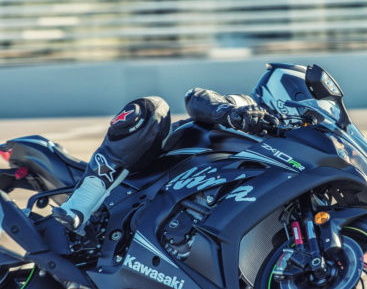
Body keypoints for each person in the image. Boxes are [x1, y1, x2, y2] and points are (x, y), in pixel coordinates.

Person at [52, 88, 276, 233]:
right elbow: (196, 96)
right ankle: (82, 201)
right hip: (155, 164)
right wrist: (232, 112)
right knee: (151, 107)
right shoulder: (251, 107)